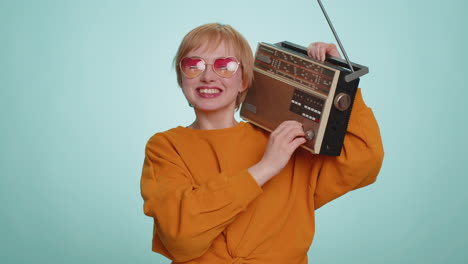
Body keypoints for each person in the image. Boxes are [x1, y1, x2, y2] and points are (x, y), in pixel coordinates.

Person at [140, 23, 384, 264]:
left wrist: (342, 83)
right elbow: (179, 236)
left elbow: (364, 160)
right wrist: (266, 167)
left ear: (245, 81)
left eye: (225, 65)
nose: (208, 76)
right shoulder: (165, 147)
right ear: (181, 77)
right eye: (193, 65)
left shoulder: (283, 139)